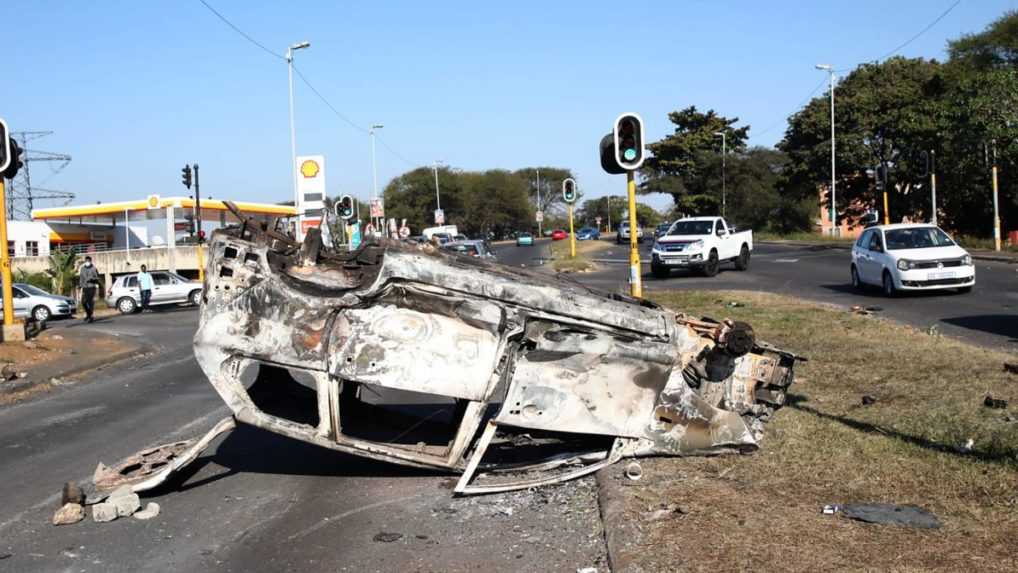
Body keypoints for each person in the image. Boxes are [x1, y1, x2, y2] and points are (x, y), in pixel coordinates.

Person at [78, 256, 100, 323]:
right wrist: (80, 286)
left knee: (90, 302)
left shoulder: (94, 268)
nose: (87, 262)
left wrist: (92, 279)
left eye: (88, 261)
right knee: (83, 302)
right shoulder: (82, 269)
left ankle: (90, 317)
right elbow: (81, 278)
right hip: (85, 287)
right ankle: (89, 314)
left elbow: (97, 278)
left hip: (91, 287)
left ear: (90, 261)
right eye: (86, 261)